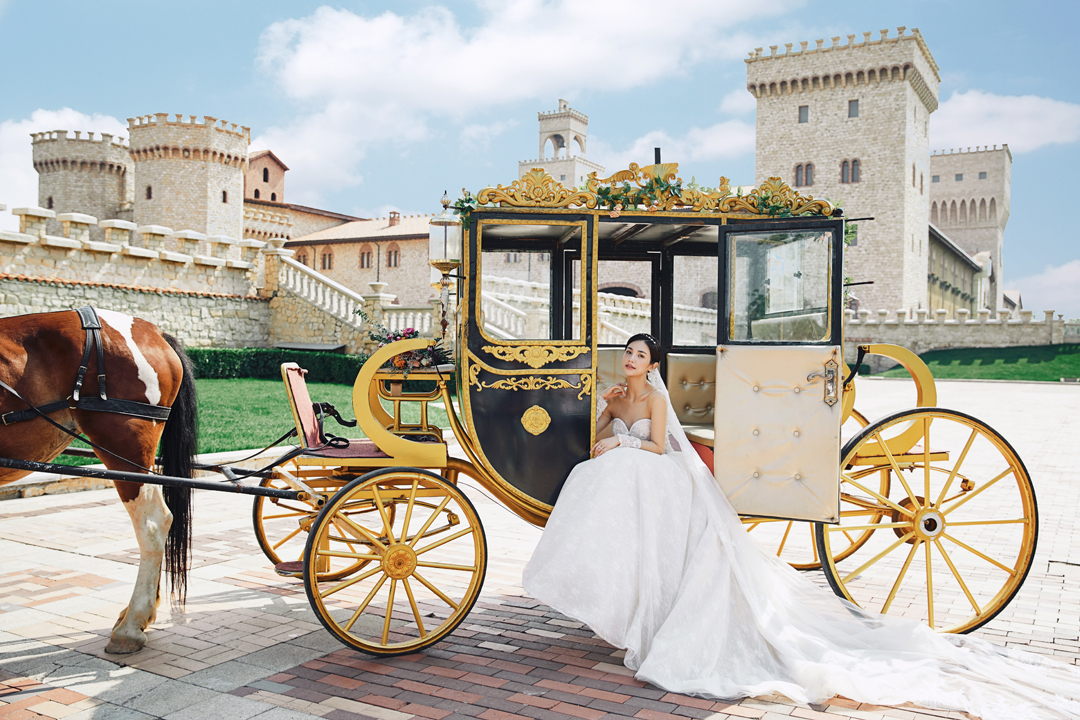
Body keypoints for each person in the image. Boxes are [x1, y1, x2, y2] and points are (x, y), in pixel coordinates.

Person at [523, 334, 1080, 720]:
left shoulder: (655, 397)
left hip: (652, 465)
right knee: (600, 478)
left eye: (638, 356)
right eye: (627, 353)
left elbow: (655, 444)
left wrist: (621, 443)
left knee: (619, 475)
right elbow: (604, 432)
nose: (629, 360)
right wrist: (608, 410)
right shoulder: (621, 393)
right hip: (629, 465)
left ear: (652, 365)